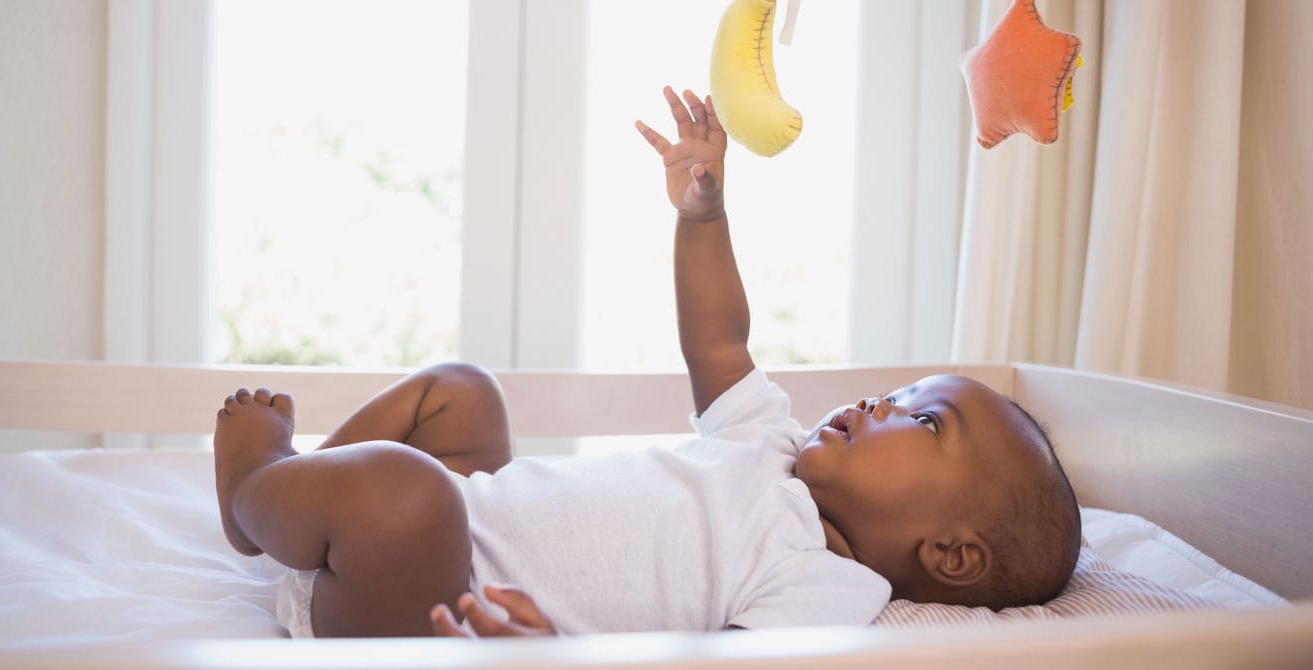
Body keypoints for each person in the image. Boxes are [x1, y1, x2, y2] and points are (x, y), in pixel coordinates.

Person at [213, 86, 1082, 639]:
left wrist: (545, 654)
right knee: (461, 393)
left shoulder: (825, 590)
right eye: (898, 392)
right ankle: (309, 505)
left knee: (409, 498)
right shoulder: (767, 443)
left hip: (423, 606)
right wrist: (702, 216)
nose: (879, 403)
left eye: (923, 420)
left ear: (952, 555)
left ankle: (258, 489)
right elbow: (718, 342)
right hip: (464, 517)